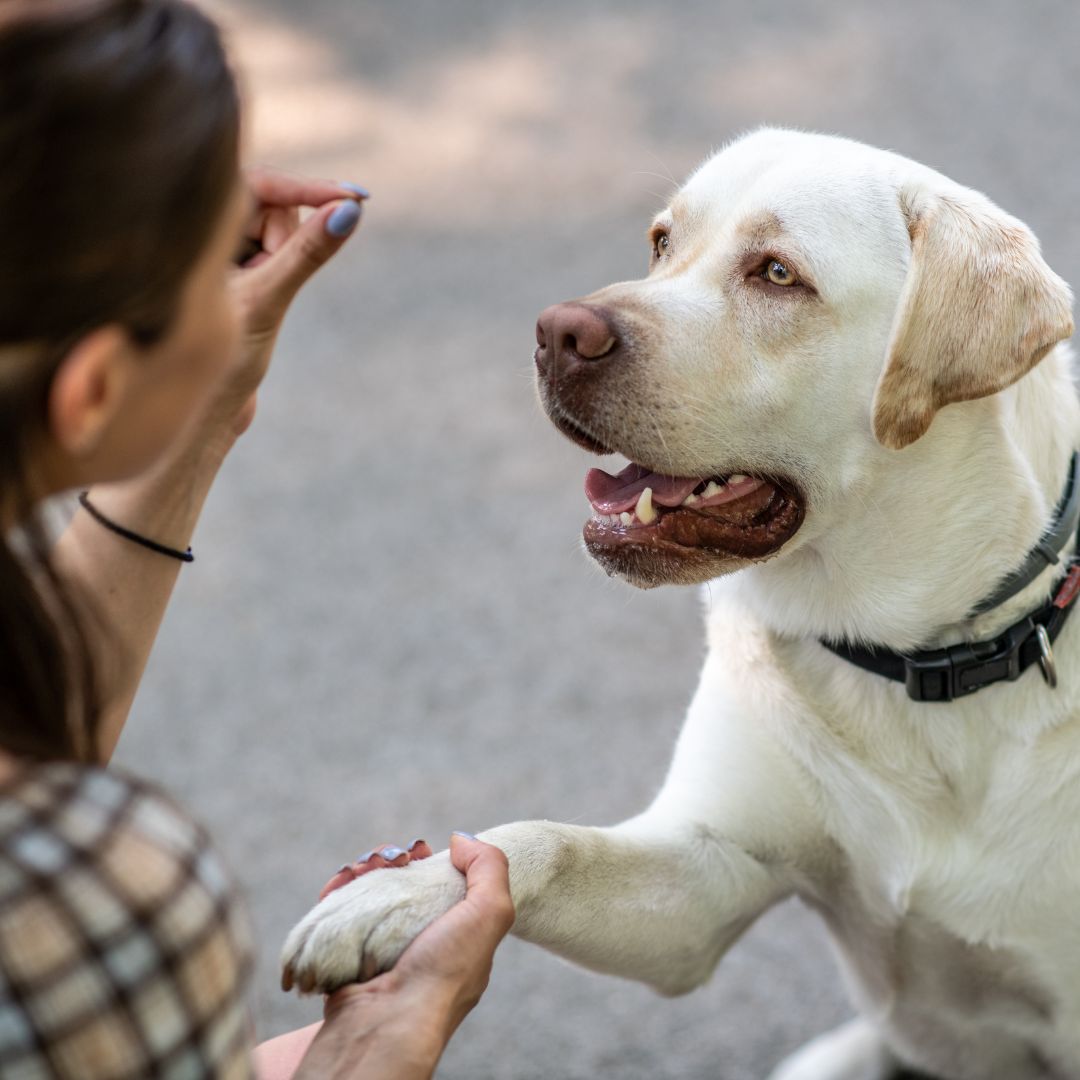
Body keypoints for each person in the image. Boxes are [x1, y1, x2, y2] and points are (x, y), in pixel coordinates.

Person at [0, 0, 515, 1077]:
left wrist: (197, 418)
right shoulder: (90, 899)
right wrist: (374, 1052)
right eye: (204, 253)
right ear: (92, 386)